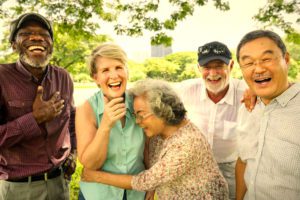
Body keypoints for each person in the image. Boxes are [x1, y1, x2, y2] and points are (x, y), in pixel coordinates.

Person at [81, 79, 229, 200]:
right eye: (135, 115)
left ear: (161, 110)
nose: (137, 121)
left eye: (141, 114)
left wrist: (96, 176)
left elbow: (144, 181)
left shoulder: (186, 144)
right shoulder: (160, 133)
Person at [0, 13, 76, 200]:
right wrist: (34, 119)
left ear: (51, 45)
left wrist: (73, 153)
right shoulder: (2, 77)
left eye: (44, 34)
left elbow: (72, 121)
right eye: (26, 33)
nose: (36, 37)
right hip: (18, 189)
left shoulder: (63, 77)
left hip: (59, 184)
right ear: (13, 45)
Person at [176, 41, 247, 199]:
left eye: (219, 65)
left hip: (231, 169)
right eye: (207, 67)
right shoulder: (184, 90)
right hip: (193, 168)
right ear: (199, 68)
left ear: (231, 66)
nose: (213, 73)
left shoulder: (247, 92)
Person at [75, 43, 146, 200]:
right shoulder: (86, 109)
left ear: (127, 71)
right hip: (99, 195)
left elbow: (149, 150)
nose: (114, 76)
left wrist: (151, 185)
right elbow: (91, 165)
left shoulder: (140, 103)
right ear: (96, 77)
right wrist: (105, 125)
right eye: (105, 70)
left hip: (136, 194)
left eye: (119, 67)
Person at [235, 30, 300, 200]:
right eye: (248, 63)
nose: (258, 69)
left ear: (286, 60)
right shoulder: (248, 107)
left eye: (266, 59)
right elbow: (243, 160)